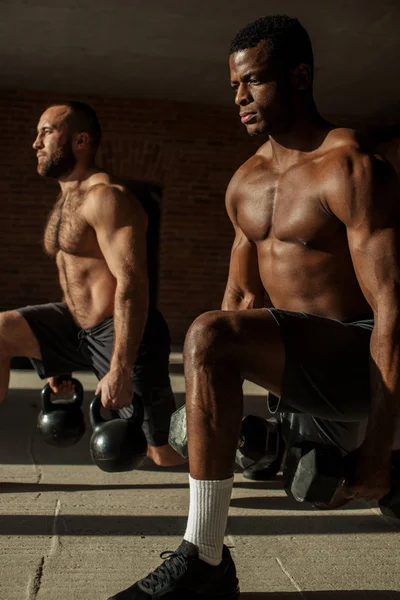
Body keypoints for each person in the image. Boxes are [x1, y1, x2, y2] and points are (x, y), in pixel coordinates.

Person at [108, 14, 400, 600]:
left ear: (299, 77)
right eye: (235, 86)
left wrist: (378, 444)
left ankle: (204, 564)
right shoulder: (245, 182)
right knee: (215, 343)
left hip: (356, 361)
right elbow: (241, 300)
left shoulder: (350, 166)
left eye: (256, 82)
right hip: (304, 381)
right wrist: (205, 409)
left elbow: (393, 306)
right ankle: (211, 552)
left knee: (209, 334)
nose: (241, 98)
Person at [0, 101, 186, 468]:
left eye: (46, 132)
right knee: (1, 330)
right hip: (75, 324)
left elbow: (133, 284)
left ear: (80, 141)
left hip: (124, 333)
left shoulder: (108, 198)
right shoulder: (66, 197)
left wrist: (120, 366)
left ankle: (232, 456)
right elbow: (75, 276)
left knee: (159, 451)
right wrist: (51, 354)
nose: (35, 143)